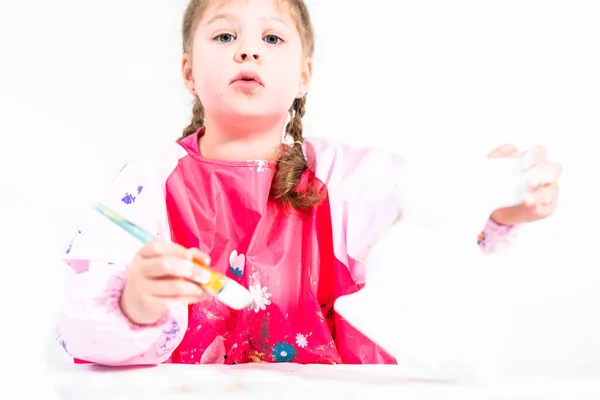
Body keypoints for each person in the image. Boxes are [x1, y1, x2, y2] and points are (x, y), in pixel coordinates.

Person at [56, 0, 562, 366]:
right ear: (189, 71)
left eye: (272, 38)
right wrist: (134, 302)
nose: (247, 51)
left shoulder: (351, 178)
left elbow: (427, 232)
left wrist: (495, 202)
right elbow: (77, 326)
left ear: (304, 75)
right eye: (224, 36)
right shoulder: (145, 183)